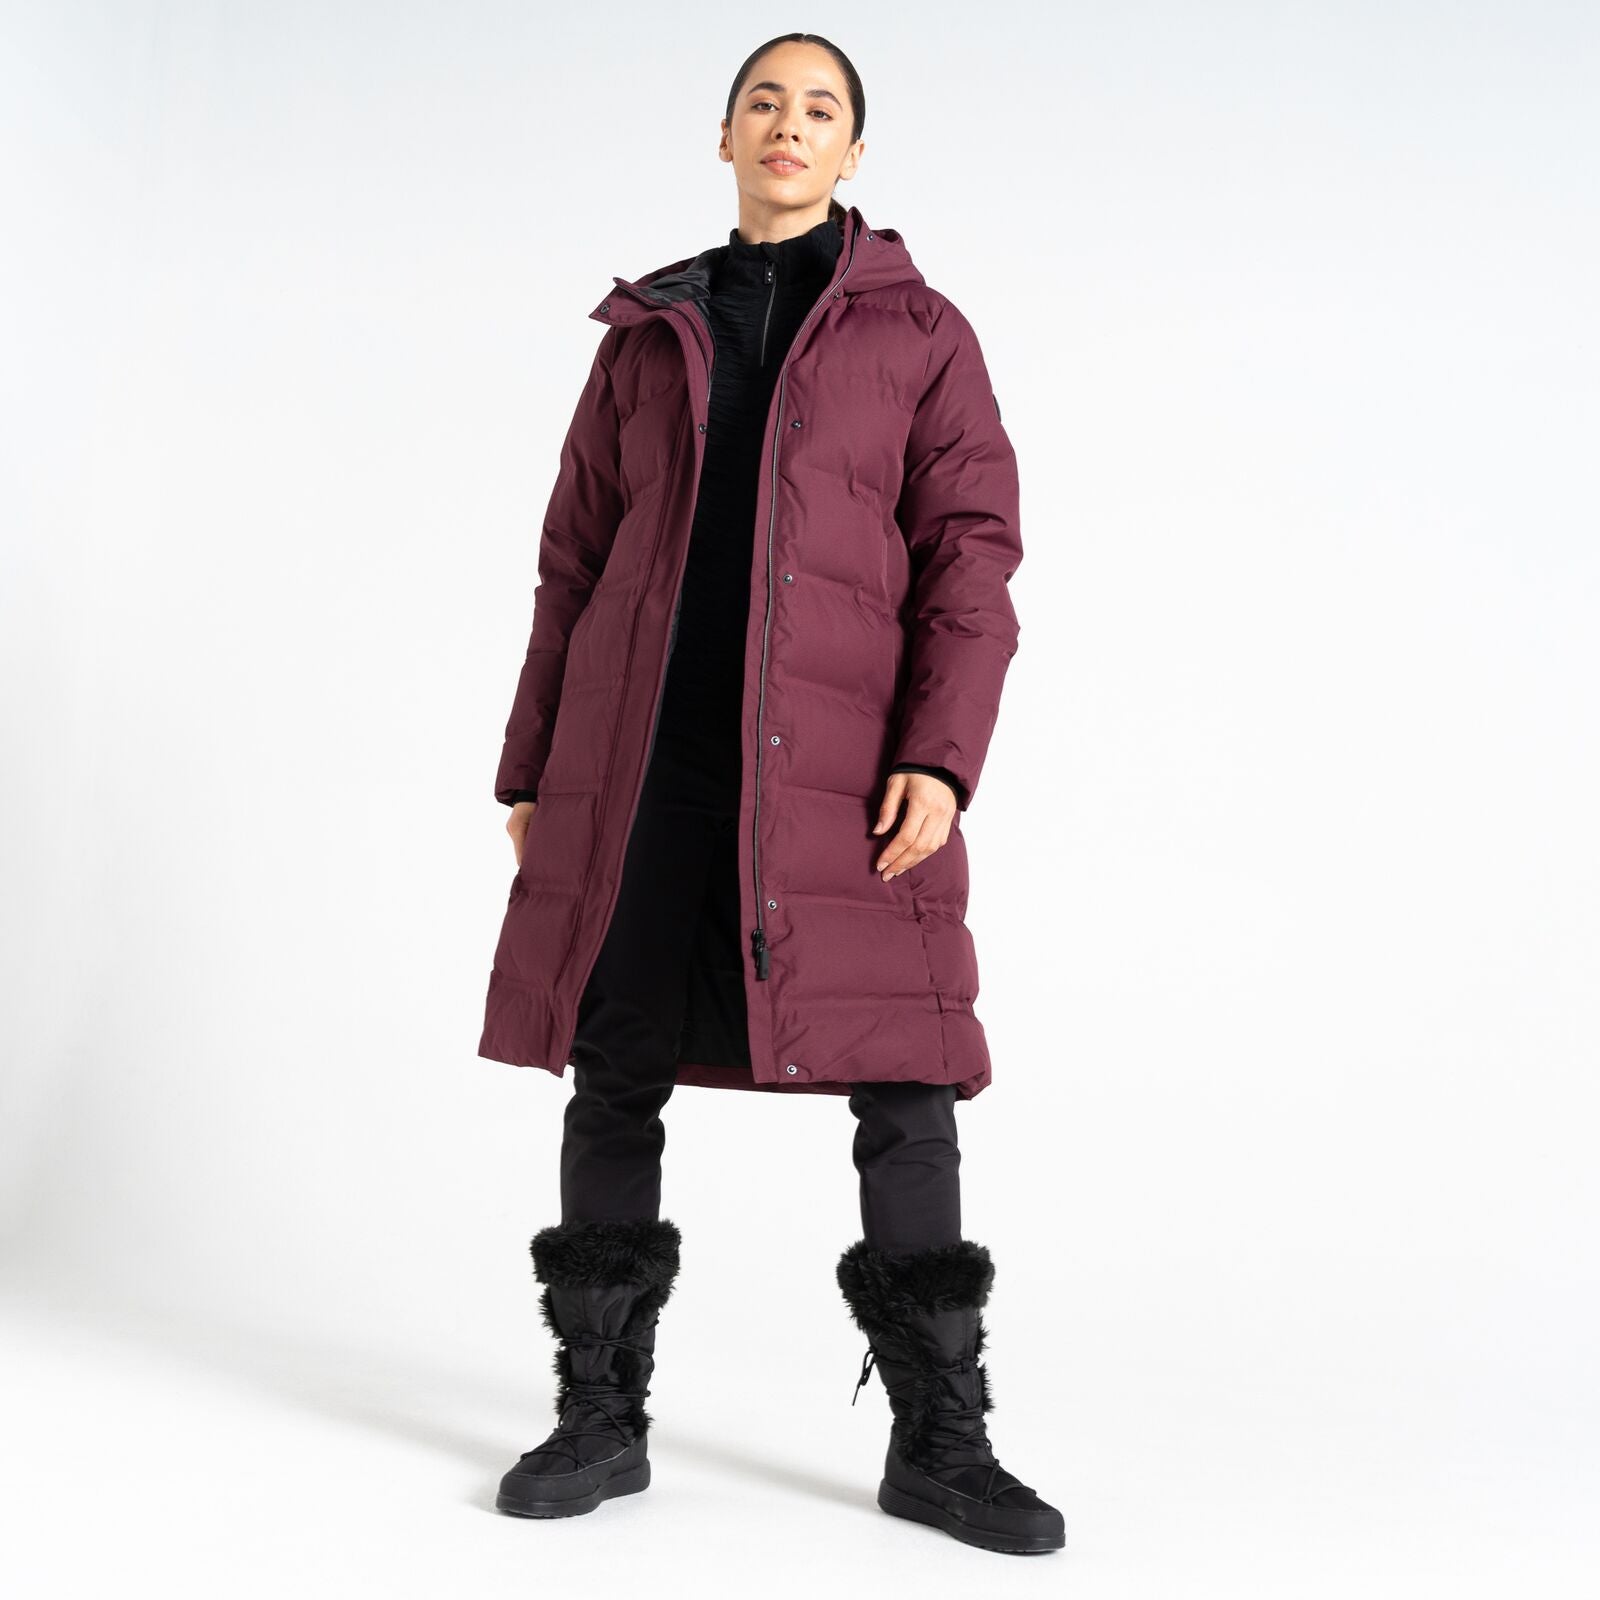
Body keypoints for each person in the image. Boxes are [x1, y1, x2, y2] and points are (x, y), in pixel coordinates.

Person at [481, 33, 1065, 1554]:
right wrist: (535, 763)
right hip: (644, 763)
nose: (788, 125)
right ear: (726, 135)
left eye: (820, 108)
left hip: (847, 768)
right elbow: (571, 561)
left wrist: (940, 754)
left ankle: (942, 1442)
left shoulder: (921, 332)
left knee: (907, 1080)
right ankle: (598, 1417)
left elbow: (973, 558)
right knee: (613, 1065)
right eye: (764, 102)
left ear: (854, 151)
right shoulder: (645, 336)